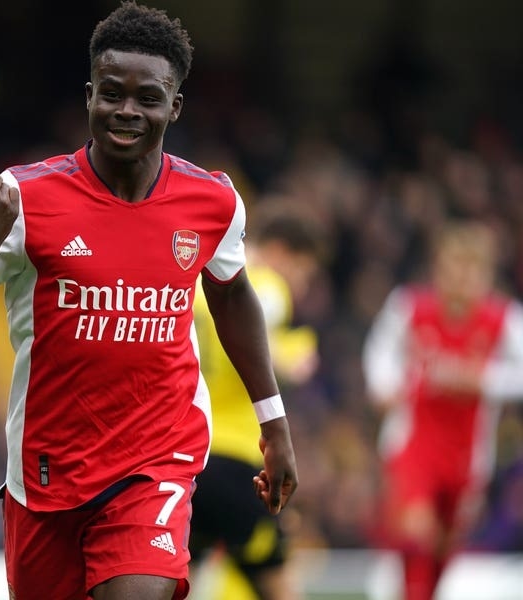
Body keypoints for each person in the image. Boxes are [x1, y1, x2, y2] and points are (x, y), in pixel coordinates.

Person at [0, 3, 298, 599]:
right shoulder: (22, 199)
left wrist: (274, 422)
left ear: (175, 106)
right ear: (90, 96)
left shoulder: (213, 202)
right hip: (47, 473)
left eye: (148, 98)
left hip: (157, 459)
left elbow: (232, 292)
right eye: (112, 93)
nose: (127, 110)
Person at [362, 220, 523, 600]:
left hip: (468, 455)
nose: (462, 279)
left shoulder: (505, 319)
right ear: (439, 269)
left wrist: (484, 380)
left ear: (486, 275)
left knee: (443, 549)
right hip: (412, 444)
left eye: (472, 270)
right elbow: (380, 352)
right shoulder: (409, 307)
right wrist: (384, 385)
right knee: (417, 533)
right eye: (455, 267)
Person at [190, 206, 325, 600]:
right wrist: (289, 356)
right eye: (304, 273)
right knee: (277, 582)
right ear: (282, 252)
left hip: (188, 459)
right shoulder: (263, 285)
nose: (301, 286)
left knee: (178, 581)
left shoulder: (197, 282)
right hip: (239, 464)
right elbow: (260, 320)